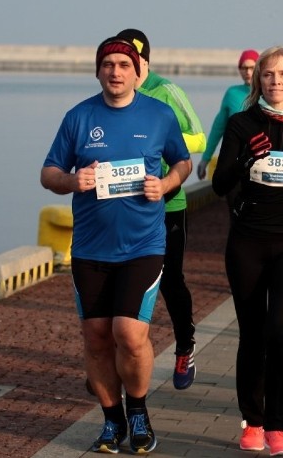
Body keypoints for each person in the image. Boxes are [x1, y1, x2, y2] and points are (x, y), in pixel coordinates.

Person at [40, 35, 191, 454]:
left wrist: (166, 184)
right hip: (90, 248)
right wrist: (74, 180)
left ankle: (139, 412)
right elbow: (48, 172)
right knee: (95, 337)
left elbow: (183, 161)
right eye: (108, 65)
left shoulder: (159, 115)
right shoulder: (79, 117)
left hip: (143, 245)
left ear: (138, 71)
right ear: (98, 71)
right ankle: (112, 421)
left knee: (128, 332)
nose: (116, 72)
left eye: (124, 65)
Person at [212, 46, 283, 456]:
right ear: (257, 80)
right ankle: (253, 421)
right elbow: (221, 183)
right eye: (267, 75)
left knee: (281, 331)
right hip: (248, 242)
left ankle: (279, 427)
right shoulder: (242, 124)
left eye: (282, 75)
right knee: (253, 333)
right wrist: (245, 159)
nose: (274, 82)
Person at [116, 28, 207, 390]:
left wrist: (156, 144)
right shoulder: (114, 96)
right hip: (125, 206)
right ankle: (114, 356)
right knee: (119, 281)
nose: (125, 70)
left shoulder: (166, 92)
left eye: (132, 62)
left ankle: (185, 346)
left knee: (169, 280)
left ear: (145, 62)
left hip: (169, 204)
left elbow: (198, 136)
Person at [197, 49, 258, 181]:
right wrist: (205, 159)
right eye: (244, 68)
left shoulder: (268, 93)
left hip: (260, 160)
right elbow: (217, 129)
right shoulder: (232, 93)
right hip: (235, 160)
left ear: (259, 68)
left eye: (252, 67)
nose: (247, 72)